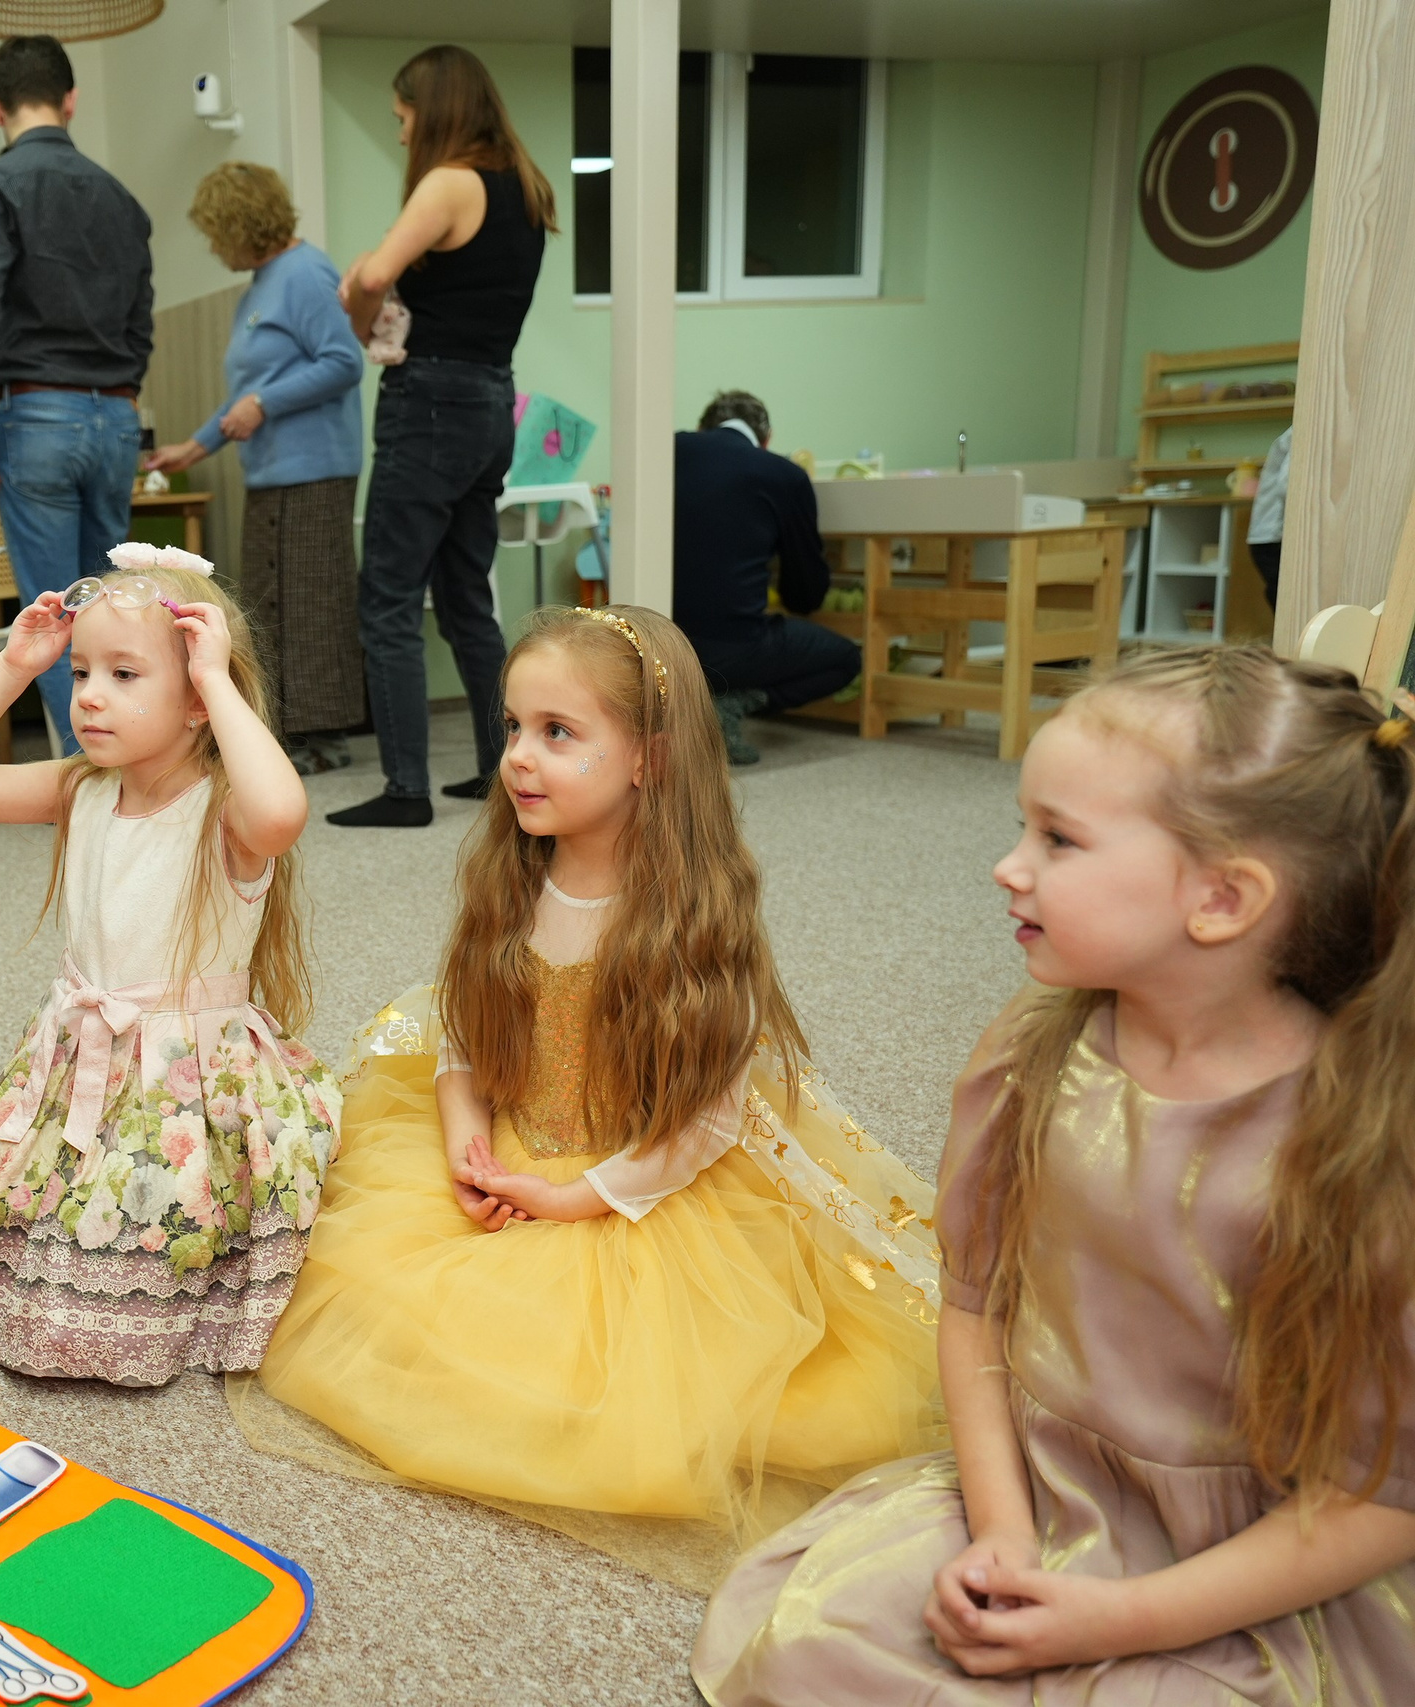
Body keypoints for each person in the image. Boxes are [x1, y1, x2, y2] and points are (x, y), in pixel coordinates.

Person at [696, 646, 1415, 1701]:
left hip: (1250, 1563)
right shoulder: (1032, 1059)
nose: (1007, 865)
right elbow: (976, 1308)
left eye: (1058, 839)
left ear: (1221, 898)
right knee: (818, 1641)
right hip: (1041, 1488)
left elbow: (1380, 1497)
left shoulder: (1354, 1142)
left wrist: (1120, 1616)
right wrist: (1001, 1535)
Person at [235, 605, 942, 1590]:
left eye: (558, 734)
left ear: (649, 758)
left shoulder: (689, 924)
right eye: (514, 727)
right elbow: (460, 1031)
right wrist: (466, 1140)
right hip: (513, 1132)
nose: (518, 757)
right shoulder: (509, 879)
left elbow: (708, 1115)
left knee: (652, 1402)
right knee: (379, 1309)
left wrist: (578, 1197)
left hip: (639, 1171)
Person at [0, 545, 339, 1385]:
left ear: (196, 703)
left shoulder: (228, 812)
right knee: (11, 1203)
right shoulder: (82, 788)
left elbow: (284, 811)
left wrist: (217, 681)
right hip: (79, 1060)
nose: (91, 695)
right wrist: (14, 663)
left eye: (126, 674)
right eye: (81, 673)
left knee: (145, 1220)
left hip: (184, 1087)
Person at [327, 44, 554, 828]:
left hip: (430, 403)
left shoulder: (449, 182)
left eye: (402, 116)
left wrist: (357, 291)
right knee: (464, 596)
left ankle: (405, 790)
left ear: (435, 109)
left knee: (388, 597)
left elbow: (370, 277)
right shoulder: (526, 188)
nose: (399, 134)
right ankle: (502, 768)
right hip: (493, 401)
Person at [0, 34, 153, 749]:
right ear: (71, 100)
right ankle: (129, 768)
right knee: (121, 610)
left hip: (36, 415)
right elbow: (141, 321)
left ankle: (84, 778)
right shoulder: (121, 199)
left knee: (56, 617)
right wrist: (123, 400)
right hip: (117, 415)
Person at [146, 163, 366, 777]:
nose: (216, 249)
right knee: (272, 607)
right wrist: (196, 446)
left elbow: (343, 362)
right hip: (271, 473)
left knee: (313, 605)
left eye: (218, 233)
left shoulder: (305, 274)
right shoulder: (260, 287)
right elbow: (251, 389)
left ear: (243, 223)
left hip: (314, 469)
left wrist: (265, 405)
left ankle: (325, 737)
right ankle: (281, 727)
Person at [672, 390, 853, 766]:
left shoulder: (666, 449)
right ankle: (731, 703)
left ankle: (698, 704)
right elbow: (805, 594)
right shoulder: (783, 474)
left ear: (702, 427)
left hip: (659, 641)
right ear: (766, 438)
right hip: (735, 648)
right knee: (847, 659)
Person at [1247, 424, 1291, 613]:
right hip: (1272, 536)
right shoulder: (1304, 430)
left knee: (1284, 598)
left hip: (1270, 536)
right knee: (1285, 600)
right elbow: (1288, 485)